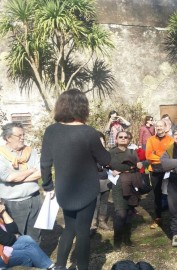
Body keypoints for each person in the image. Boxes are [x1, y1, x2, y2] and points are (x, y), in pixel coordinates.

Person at [40, 89, 111, 270]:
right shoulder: (89, 132)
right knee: (82, 232)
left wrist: (48, 186)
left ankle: (61, 266)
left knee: (69, 228)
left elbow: (45, 163)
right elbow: (105, 160)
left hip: (64, 190)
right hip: (86, 190)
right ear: (83, 107)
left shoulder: (51, 131)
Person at [0, 122, 42, 243]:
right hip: (14, 203)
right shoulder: (1, 155)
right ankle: (22, 261)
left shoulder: (30, 151)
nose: (23, 138)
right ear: (8, 138)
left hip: (34, 198)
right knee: (17, 237)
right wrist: (31, 170)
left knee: (35, 234)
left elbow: (41, 173)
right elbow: (9, 177)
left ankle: (36, 260)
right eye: (19, 135)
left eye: (23, 135)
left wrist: (20, 177)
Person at [109, 131, 143, 247]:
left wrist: (136, 165)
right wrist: (132, 166)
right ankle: (117, 240)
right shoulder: (112, 152)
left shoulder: (132, 151)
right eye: (121, 137)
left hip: (132, 184)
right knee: (121, 213)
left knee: (129, 212)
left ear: (129, 140)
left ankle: (127, 238)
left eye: (126, 137)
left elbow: (138, 165)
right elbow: (117, 165)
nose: (123, 139)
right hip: (119, 184)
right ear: (116, 139)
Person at [0, 201, 54, 269]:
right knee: (29, 256)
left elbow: (13, 230)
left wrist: (3, 212)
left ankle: (51, 267)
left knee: (26, 240)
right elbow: (6, 240)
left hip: (3, 247)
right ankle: (50, 267)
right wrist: (15, 237)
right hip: (2, 251)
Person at [146, 120, 174, 229]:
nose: (159, 128)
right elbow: (148, 155)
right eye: (157, 126)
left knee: (171, 193)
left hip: (168, 169)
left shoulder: (171, 140)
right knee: (157, 194)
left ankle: (173, 218)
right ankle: (158, 218)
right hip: (154, 169)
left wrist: (158, 156)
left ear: (165, 127)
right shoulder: (151, 140)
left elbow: (171, 155)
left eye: (161, 126)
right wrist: (163, 158)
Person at [91, 131, 111, 233]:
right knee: (95, 203)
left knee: (104, 202)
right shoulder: (90, 153)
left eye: (103, 141)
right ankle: (93, 223)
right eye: (99, 141)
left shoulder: (107, 152)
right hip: (95, 180)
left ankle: (102, 220)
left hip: (107, 179)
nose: (101, 143)